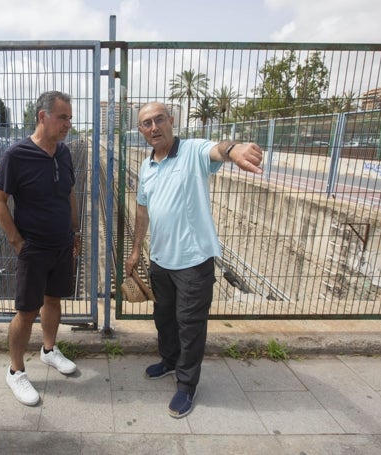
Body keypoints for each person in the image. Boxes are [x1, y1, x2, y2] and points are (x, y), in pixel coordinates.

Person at [124, 101, 263, 419]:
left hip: (193, 263)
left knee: (190, 326)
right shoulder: (147, 167)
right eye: (146, 123)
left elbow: (218, 149)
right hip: (160, 260)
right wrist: (135, 251)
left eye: (159, 119)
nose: (154, 127)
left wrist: (235, 149)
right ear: (141, 131)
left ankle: (187, 385)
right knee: (165, 319)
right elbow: (142, 211)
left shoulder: (191, 151)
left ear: (171, 121)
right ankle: (170, 362)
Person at [0, 91, 81, 406]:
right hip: (34, 247)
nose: (69, 123)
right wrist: (17, 242)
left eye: (70, 117)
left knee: (53, 299)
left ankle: (49, 350)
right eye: (63, 117)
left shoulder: (64, 153)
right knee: (27, 310)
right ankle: (16, 371)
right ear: (42, 117)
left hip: (61, 243)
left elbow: (69, 192)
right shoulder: (17, 155)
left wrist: (74, 230)